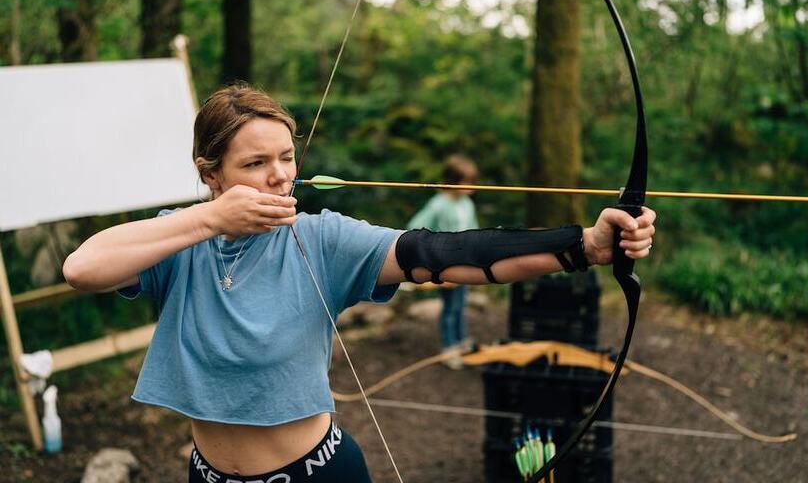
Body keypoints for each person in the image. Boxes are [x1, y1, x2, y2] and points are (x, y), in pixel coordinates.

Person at [62, 84, 656, 483]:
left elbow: (440, 255)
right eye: (255, 164)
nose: (280, 176)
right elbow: (82, 269)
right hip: (208, 476)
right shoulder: (178, 238)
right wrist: (209, 220)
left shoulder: (322, 238)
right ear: (209, 174)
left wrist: (585, 246)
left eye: (286, 158)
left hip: (317, 474)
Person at [407, 155, 480, 369]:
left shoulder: (467, 203)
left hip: (466, 263)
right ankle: (449, 349)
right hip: (446, 265)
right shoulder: (438, 205)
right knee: (450, 307)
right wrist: (433, 252)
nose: (471, 187)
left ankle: (461, 341)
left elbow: (474, 230)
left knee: (460, 304)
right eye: (467, 182)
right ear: (453, 181)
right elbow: (415, 227)